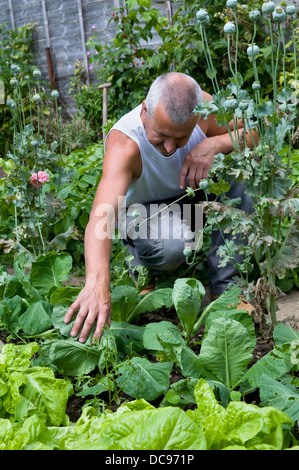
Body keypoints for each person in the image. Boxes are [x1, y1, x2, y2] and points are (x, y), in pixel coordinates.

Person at [64, 72, 256, 343]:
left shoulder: (205, 109)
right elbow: (101, 217)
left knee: (243, 169)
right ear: (145, 111)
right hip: (145, 212)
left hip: (192, 199)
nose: (169, 147)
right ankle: (143, 267)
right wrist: (96, 283)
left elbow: (255, 131)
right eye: (162, 135)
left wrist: (215, 143)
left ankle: (227, 288)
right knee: (172, 248)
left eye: (181, 139)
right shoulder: (125, 144)